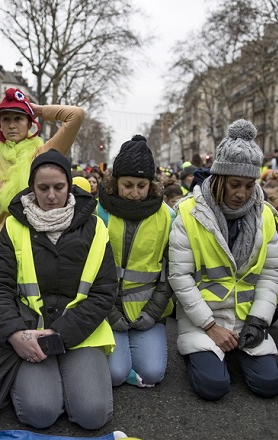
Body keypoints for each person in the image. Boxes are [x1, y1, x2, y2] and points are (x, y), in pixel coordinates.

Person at [0, 149, 116, 429]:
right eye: (43, 188)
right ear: (32, 188)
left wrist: (60, 334)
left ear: (70, 186)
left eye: (59, 187)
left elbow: (104, 293)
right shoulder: (13, 226)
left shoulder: (96, 227)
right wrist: (14, 334)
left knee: (93, 416)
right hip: (28, 332)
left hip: (81, 332)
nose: (51, 195)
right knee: (39, 414)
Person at [168, 120, 278, 401]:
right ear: (219, 178)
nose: (242, 193)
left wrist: (258, 321)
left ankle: (232, 353)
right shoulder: (188, 213)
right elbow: (180, 278)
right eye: (234, 184)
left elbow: (270, 274)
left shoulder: (266, 215)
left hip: (247, 321)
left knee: (271, 385)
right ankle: (208, 356)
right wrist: (210, 327)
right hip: (203, 320)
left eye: (248, 185)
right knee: (213, 387)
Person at [0, 88, 85, 250]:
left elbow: (76, 115)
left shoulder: (43, 154)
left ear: (29, 123)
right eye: (5, 119)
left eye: (18, 118)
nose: (11, 125)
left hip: (34, 245)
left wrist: (37, 110)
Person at [95, 136, 174, 389]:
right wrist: (109, 313)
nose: (135, 193)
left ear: (151, 184)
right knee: (116, 375)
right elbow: (89, 270)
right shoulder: (98, 212)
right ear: (114, 182)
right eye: (127, 185)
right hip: (107, 310)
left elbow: (171, 271)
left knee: (152, 373)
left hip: (147, 311)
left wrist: (152, 313)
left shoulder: (168, 216)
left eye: (142, 185)